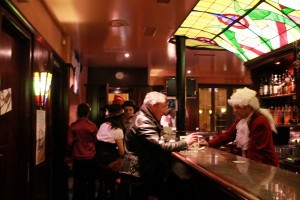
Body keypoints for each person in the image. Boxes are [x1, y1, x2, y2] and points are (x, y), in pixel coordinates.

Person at [120, 91, 199, 200]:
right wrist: (186, 142)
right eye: (162, 107)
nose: (164, 111)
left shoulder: (144, 117)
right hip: (138, 172)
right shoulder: (143, 121)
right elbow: (161, 146)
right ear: (153, 106)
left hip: (140, 170)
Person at [199, 87, 279, 167]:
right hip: (251, 164)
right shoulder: (242, 119)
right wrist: (209, 144)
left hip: (265, 167)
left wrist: (251, 171)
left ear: (249, 107)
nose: (234, 110)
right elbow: (228, 135)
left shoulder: (259, 122)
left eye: (238, 107)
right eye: (234, 107)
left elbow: (255, 151)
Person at [65, 103, 98, 200]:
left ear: (78, 112)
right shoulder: (93, 126)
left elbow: (69, 143)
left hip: (77, 156)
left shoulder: (73, 126)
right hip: (91, 156)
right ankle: (91, 197)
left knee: (78, 180)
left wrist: (67, 157)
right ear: (88, 113)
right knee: (91, 180)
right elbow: (96, 141)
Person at [96, 103, 125, 199]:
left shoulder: (102, 125)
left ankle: (102, 193)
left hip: (99, 160)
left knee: (103, 182)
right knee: (113, 180)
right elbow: (121, 152)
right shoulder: (118, 130)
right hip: (111, 162)